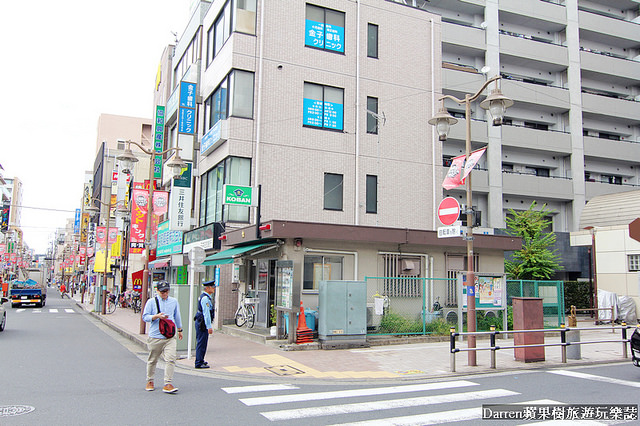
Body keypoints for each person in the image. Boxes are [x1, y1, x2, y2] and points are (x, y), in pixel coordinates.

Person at [142, 281, 183, 393]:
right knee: (152, 360)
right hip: (155, 336)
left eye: (167, 291)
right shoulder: (151, 302)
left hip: (170, 335)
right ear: (157, 291)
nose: (165, 293)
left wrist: (180, 329)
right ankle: (150, 381)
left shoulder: (174, 301)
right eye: (162, 291)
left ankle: (168, 383)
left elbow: (177, 316)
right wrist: (156, 316)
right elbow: (145, 317)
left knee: (170, 359)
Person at [194, 279, 215, 369]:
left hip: (201, 321)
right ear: (207, 288)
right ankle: (198, 362)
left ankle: (201, 359)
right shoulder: (205, 298)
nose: (214, 289)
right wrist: (209, 326)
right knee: (201, 342)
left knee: (203, 342)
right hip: (202, 322)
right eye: (212, 287)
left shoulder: (205, 297)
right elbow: (206, 314)